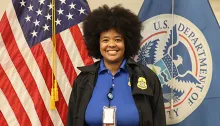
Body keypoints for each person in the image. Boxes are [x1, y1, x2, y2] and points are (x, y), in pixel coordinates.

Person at [67, 5, 166, 126]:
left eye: (118, 39)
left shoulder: (148, 78)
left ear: (127, 42)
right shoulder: (83, 80)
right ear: (96, 43)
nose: (111, 44)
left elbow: (158, 120)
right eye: (105, 40)